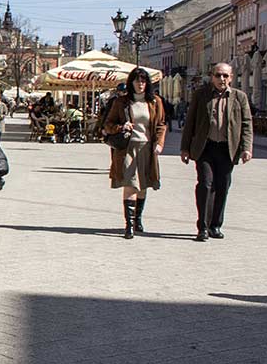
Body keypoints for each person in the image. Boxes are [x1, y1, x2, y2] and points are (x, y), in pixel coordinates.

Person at [180, 62, 253, 241]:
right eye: (218, 75)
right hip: (205, 147)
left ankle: (215, 225)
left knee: (222, 186)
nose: (222, 79)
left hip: (228, 149)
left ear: (231, 78)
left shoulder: (239, 97)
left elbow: (246, 124)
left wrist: (246, 148)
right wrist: (185, 148)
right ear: (212, 77)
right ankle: (202, 227)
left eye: (225, 76)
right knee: (205, 184)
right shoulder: (201, 95)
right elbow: (190, 122)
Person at [103, 67, 166, 239]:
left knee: (143, 184)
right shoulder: (121, 102)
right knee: (130, 183)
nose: (140, 84)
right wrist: (121, 127)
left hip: (147, 147)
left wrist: (159, 144)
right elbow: (107, 124)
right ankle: (129, 225)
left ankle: (138, 219)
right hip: (127, 148)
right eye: (137, 81)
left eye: (143, 81)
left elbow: (161, 125)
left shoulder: (155, 102)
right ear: (131, 83)